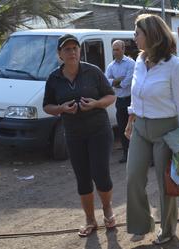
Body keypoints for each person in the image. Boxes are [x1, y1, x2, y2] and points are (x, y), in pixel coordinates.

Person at [125, 14, 179, 245]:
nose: (134, 38)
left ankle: (167, 229)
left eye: (137, 33)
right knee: (133, 177)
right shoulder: (138, 62)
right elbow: (136, 95)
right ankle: (141, 224)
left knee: (166, 183)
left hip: (167, 129)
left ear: (151, 34)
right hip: (141, 127)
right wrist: (130, 119)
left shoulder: (175, 65)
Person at [43, 34, 116, 237]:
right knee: (82, 178)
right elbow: (47, 106)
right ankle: (90, 220)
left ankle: (108, 209)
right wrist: (61, 109)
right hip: (74, 134)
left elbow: (111, 96)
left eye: (75, 48)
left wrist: (96, 104)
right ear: (60, 54)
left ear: (79, 51)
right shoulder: (54, 78)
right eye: (67, 49)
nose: (72, 52)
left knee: (100, 173)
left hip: (99, 131)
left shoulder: (93, 72)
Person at [105, 40, 135, 163]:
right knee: (122, 127)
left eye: (117, 49)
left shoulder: (130, 63)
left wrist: (116, 82)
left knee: (134, 128)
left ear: (123, 49)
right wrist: (118, 81)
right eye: (113, 49)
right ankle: (126, 153)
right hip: (120, 101)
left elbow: (127, 82)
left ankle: (137, 153)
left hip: (131, 100)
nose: (115, 52)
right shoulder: (111, 66)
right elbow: (106, 81)